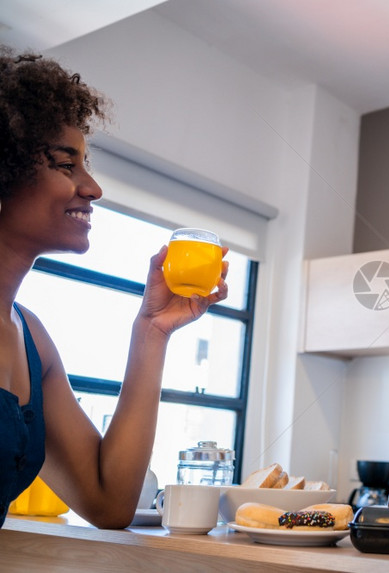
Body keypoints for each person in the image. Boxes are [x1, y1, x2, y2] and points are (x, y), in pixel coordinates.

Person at [0, 47, 228, 528]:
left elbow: (109, 501)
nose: (93, 187)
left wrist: (152, 330)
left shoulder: (30, 340)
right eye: (67, 165)